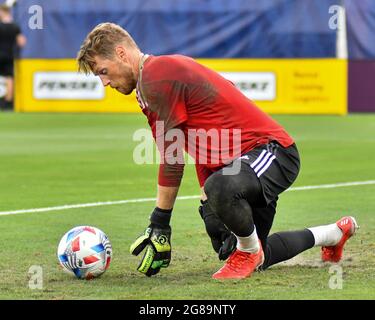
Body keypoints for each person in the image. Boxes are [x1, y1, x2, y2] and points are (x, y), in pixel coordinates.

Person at [77, 23, 359, 279]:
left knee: (225, 201)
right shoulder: (147, 86)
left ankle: (247, 252)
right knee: (238, 246)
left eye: (103, 71)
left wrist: (160, 222)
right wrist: (206, 197)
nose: (104, 83)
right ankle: (334, 233)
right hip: (239, 167)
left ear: (121, 53)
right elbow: (195, 140)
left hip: (272, 152)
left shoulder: (156, 75)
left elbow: (172, 158)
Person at [0, 4, 26, 111]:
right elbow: (22, 42)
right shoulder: (15, 26)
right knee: (9, 78)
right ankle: (8, 103)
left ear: (3, 12)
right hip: (10, 55)